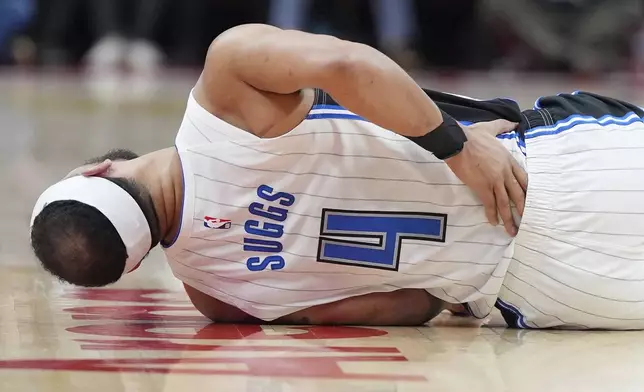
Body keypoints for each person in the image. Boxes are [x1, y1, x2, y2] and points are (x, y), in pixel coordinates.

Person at [29, 24, 644, 330]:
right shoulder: (226, 86)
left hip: (546, 290)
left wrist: (451, 279)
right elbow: (348, 64)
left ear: (134, 262)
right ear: (95, 169)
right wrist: (459, 151)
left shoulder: (218, 300)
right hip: (555, 171)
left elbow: (407, 306)